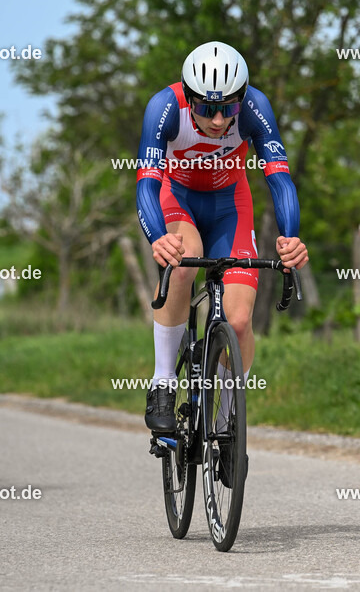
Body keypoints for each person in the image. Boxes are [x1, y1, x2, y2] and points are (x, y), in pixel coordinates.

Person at [134, 41, 308, 434]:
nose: (216, 120)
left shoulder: (255, 108)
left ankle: (230, 419)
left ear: (241, 99)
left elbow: (279, 179)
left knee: (241, 320)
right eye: (206, 108)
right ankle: (163, 381)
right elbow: (146, 185)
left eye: (227, 108)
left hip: (231, 205)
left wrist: (290, 237)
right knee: (183, 259)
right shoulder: (163, 107)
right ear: (188, 95)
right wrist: (158, 238)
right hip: (176, 199)